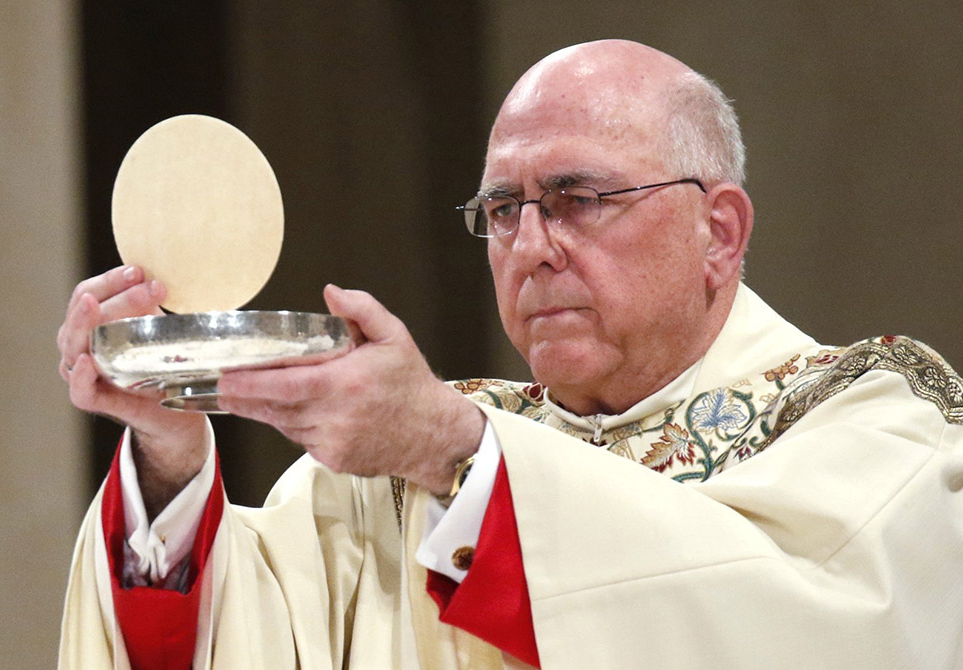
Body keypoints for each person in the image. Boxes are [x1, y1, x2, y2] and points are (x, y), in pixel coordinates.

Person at [57, 39, 963, 669]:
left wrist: (455, 452)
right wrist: (166, 447)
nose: (530, 245)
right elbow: (224, 639)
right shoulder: (392, 475)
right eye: (502, 210)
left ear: (718, 232)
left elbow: (813, 636)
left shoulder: (877, 429)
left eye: (578, 198)